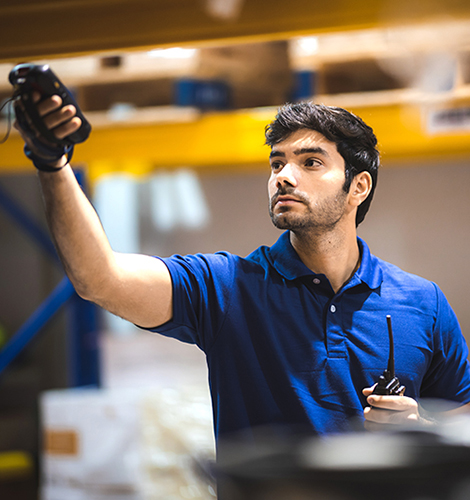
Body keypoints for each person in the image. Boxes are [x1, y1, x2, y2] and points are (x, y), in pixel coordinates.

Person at [14, 90, 470, 445]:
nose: (284, 176)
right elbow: (99, 279)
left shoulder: (421, 302)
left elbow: (460, 415)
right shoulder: (226, 287)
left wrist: (420, 425)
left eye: (310, 161)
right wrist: (54, 164)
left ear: (359, 187)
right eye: (277, 163)